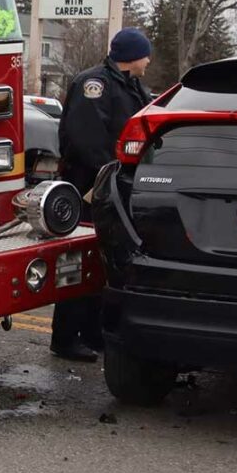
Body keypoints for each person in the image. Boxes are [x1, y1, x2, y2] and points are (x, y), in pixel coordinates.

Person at [49, 27, 154, 362]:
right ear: (133, 57)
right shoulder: (94, 85)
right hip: (88, 188)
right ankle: (65, 337)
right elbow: (86, 139)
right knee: (76, 261)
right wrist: (111, 174)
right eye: (145, 55)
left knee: (101, 262)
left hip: (113, 188)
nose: (148, 61)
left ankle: (93, 333)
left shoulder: (132, 86)